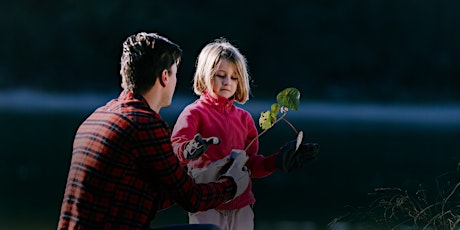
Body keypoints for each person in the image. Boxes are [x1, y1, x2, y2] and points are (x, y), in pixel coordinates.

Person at [57, 32, 251, 230]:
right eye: (175, 73)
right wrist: (232, 184)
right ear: (165, 77)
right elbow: (192, 200)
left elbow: (151, 197)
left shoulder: (96, 117)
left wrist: (203, 176)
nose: (176, 81)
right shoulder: (144, 124)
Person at [171, 38, 319, 230]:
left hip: (242, 204)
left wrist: (276, 161)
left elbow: (251, 165)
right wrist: (188, 149)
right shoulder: (194, 113)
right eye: (221, 75)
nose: (227, 82)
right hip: (206, 205)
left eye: (234, 78)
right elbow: (175, 148)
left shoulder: (245, 119)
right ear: (206, 75)